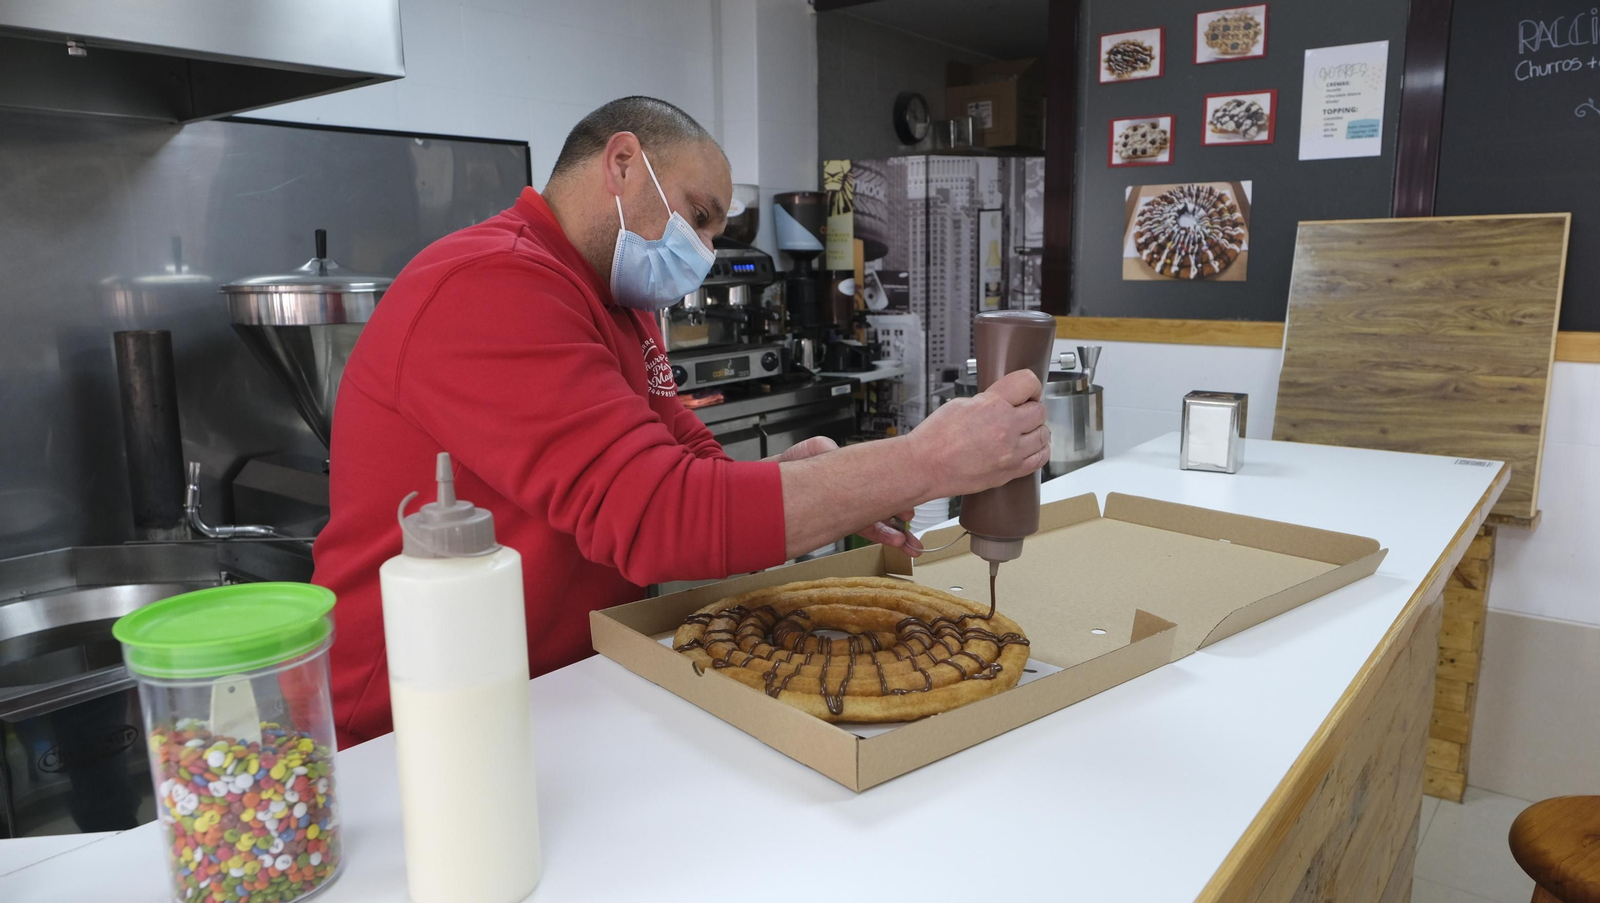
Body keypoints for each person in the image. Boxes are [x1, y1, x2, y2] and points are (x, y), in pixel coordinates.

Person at [312, 96, 1049, 747]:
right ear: (623, 163)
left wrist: (814, 482)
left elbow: (690, 470)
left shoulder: (623, 306)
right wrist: (928, 459)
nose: (700, 249)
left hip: (566, 693)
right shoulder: (489, 285)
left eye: (715, 231)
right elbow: (658, 517)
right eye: (697, 215)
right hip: (417, 728)